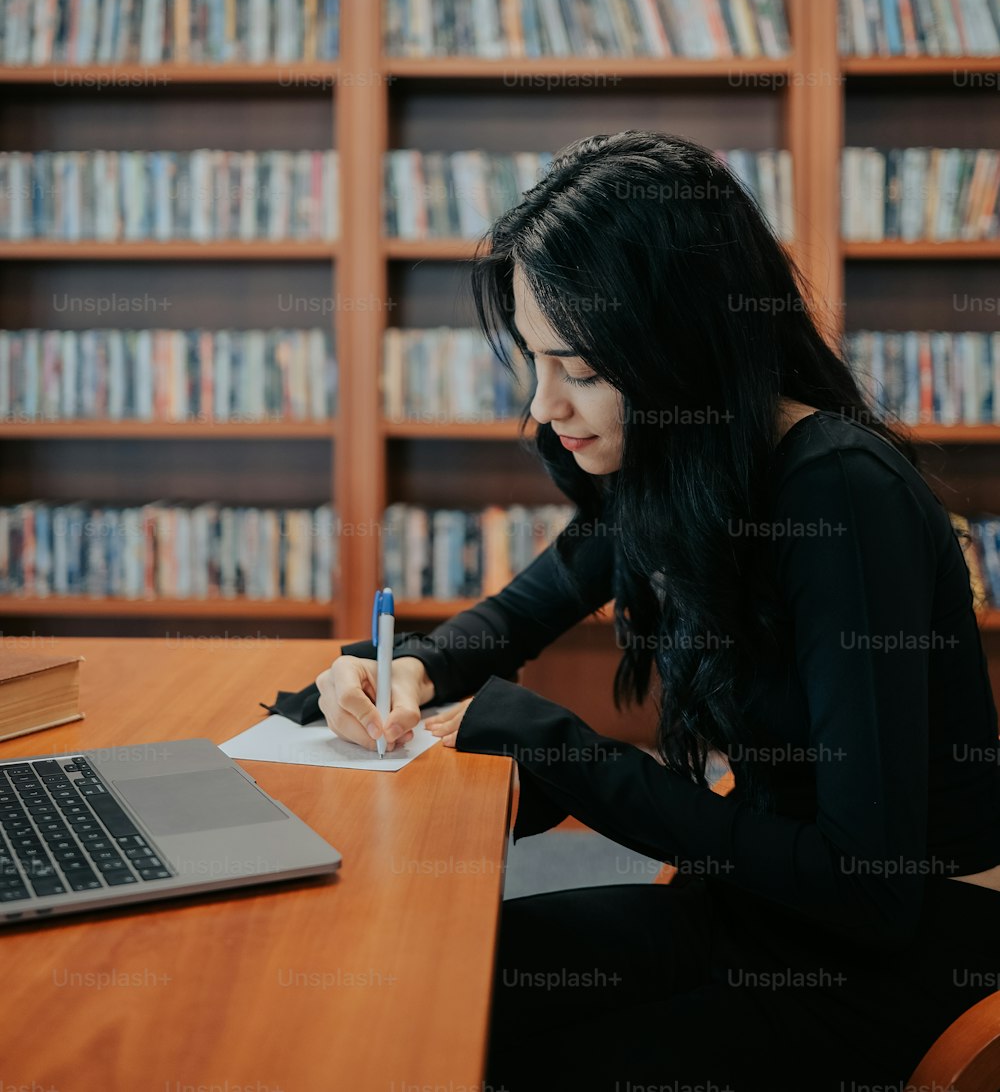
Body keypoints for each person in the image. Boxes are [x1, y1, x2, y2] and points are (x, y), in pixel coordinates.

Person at [267, 131, 1000, 1092]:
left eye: (578, 369)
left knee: (501, 1055)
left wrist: (572, 759)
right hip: (762, 913)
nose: (543, 406)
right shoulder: (688, 463)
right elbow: (515, 617)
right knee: (437, 987)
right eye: (536, 362)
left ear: (680, 347)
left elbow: (867, 890)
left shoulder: (837, 495)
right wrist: (407, 667)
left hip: (896, 961)